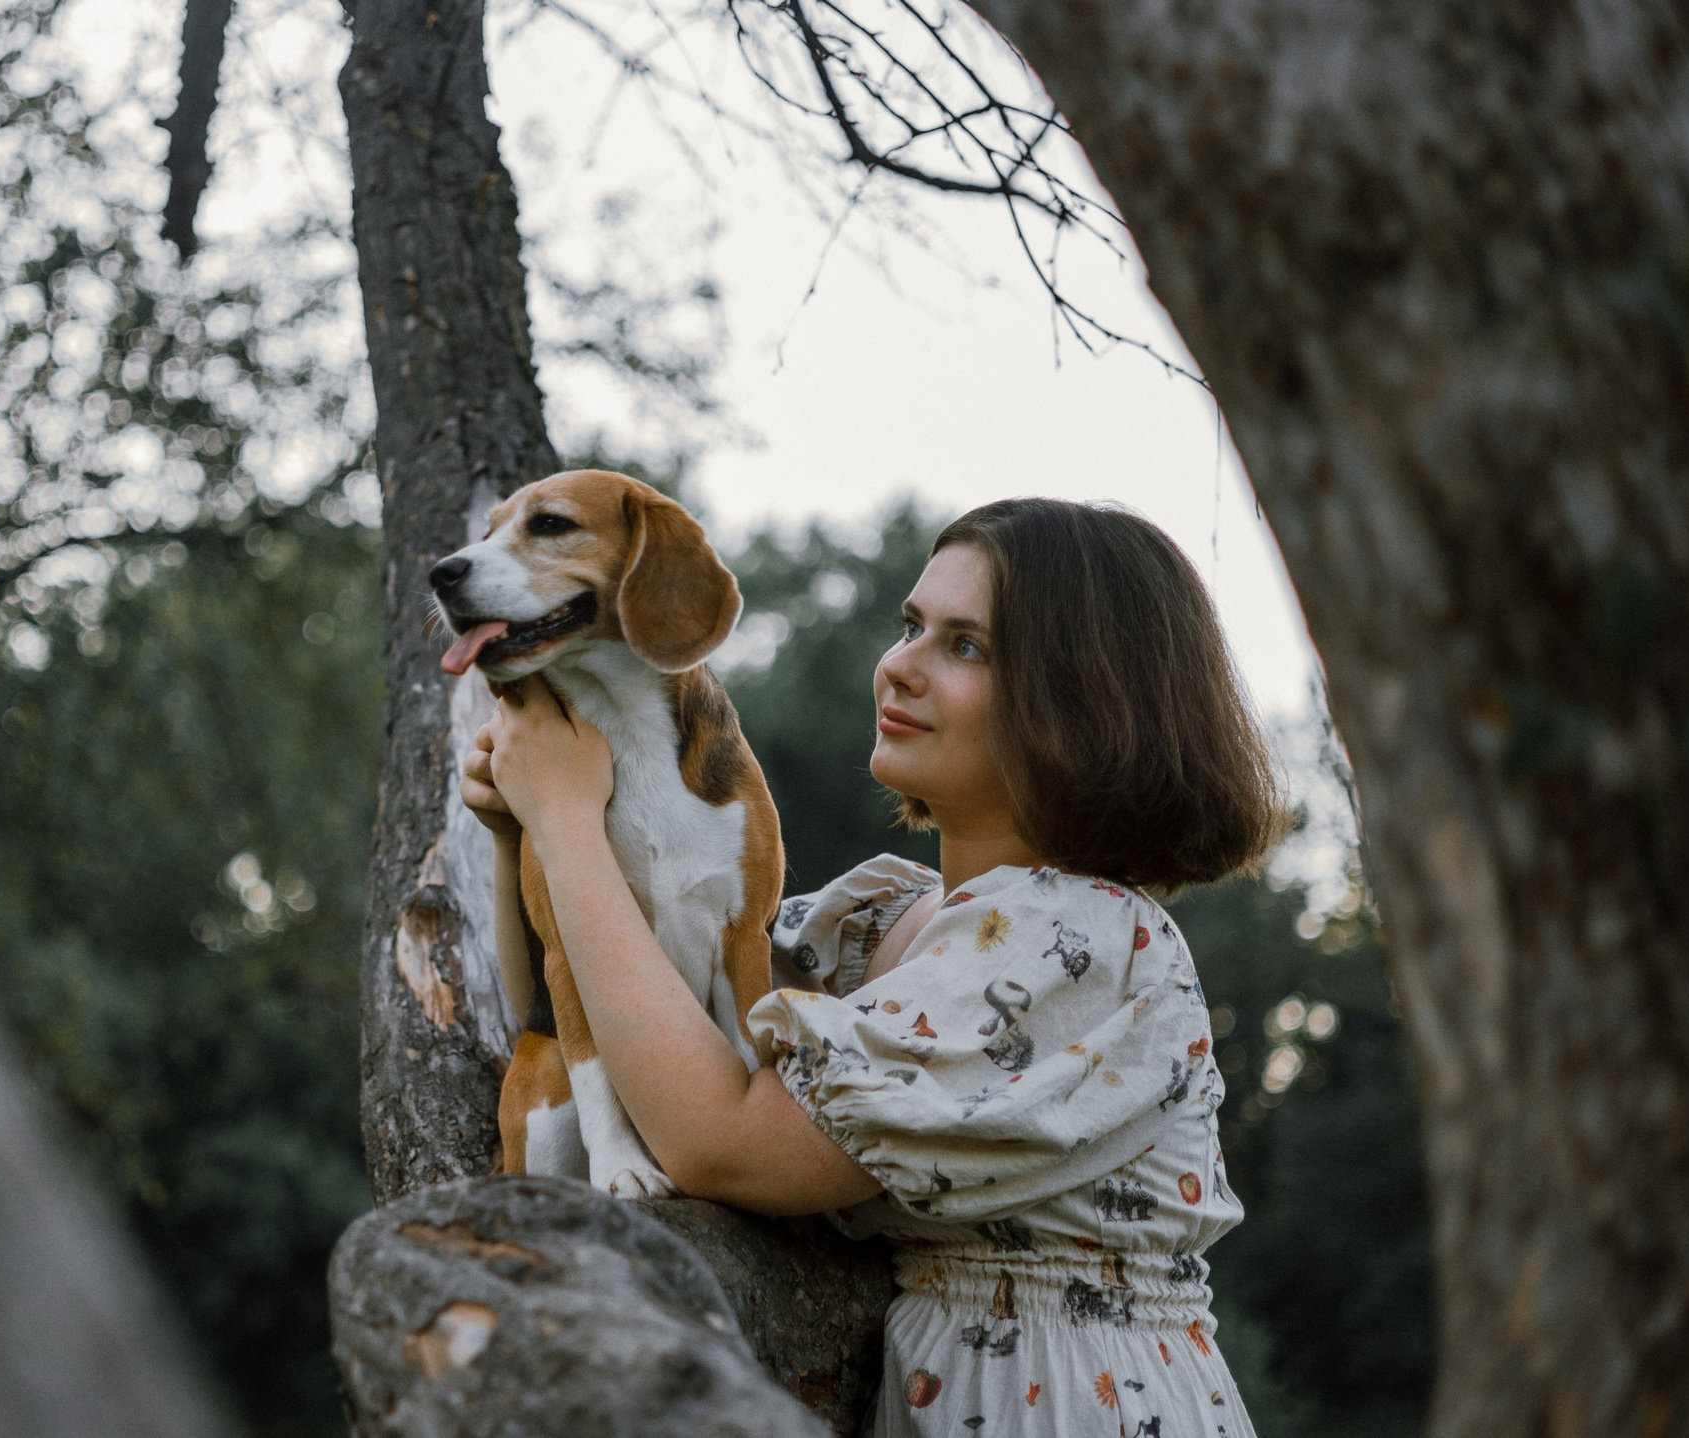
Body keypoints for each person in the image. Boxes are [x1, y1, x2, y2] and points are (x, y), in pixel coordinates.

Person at [460, 497, 1281, 1438]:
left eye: (965, 646)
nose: (900, 664)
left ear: (1086, 702)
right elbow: (569, 1018)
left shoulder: (1080, 940)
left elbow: (717, 1141)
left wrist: (568, 819)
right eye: (911, 626)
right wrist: (519, 833)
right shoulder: (870, 929)